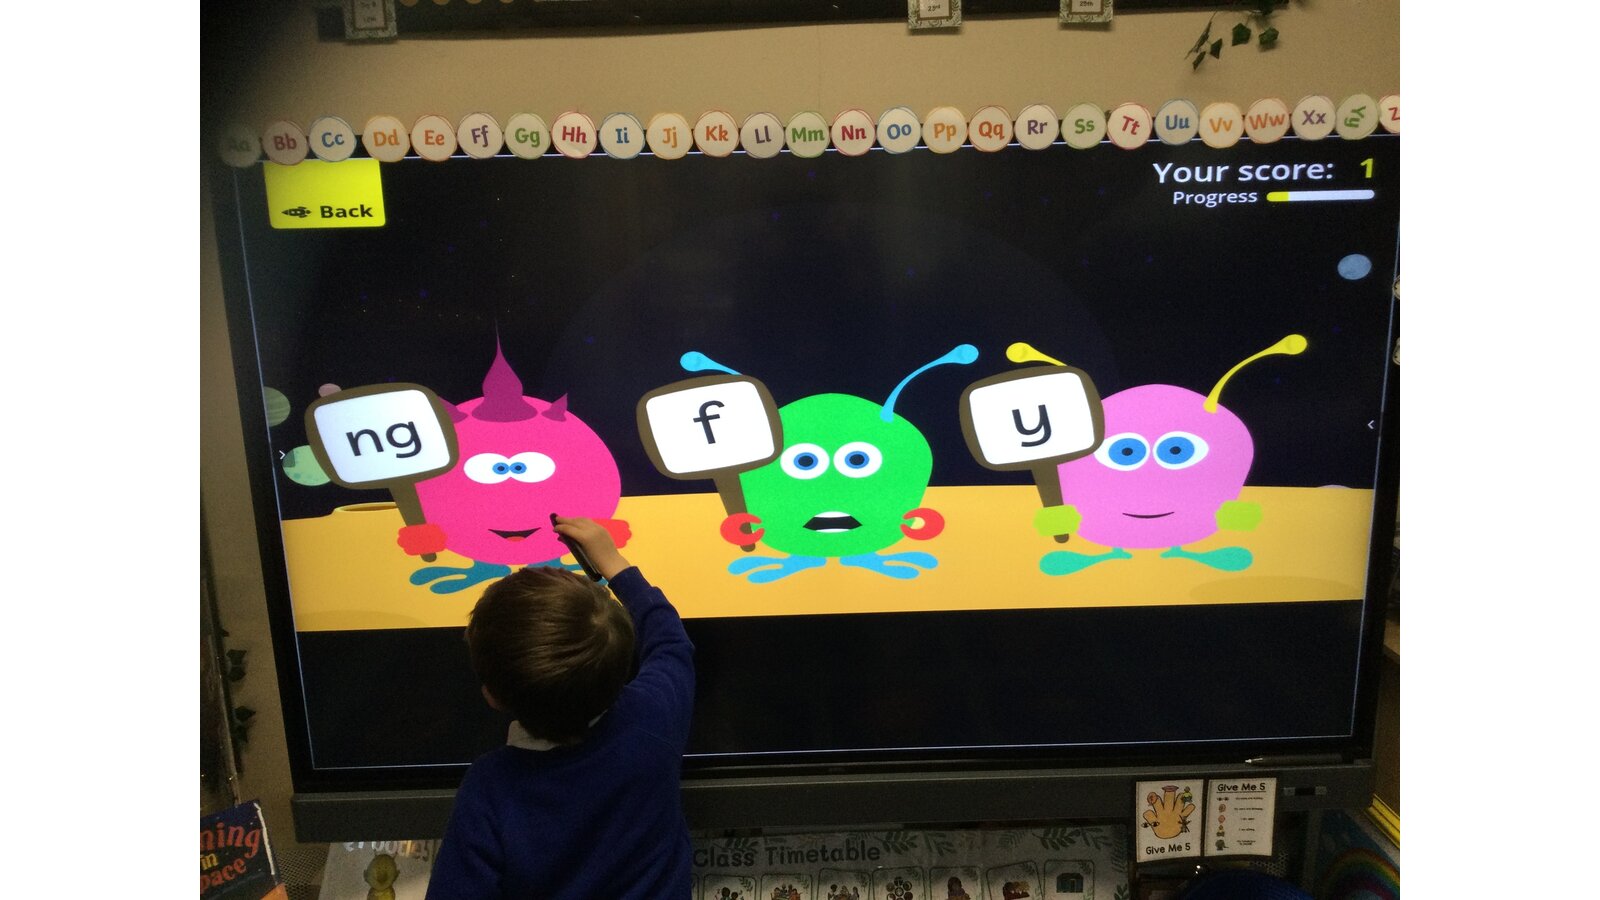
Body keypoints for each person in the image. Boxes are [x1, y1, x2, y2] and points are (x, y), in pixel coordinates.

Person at [426, 516, 695, 899]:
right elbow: (670, 641)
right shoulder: (652, 718)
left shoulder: (491, 787)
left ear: (492, 696)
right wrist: (613, 562)